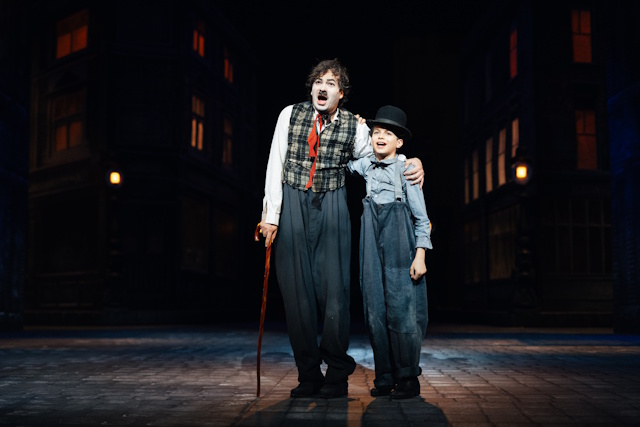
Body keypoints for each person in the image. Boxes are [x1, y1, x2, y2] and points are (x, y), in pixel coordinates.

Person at [259, 59, 424, 399]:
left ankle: (336, 374)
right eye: (318, 81)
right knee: (296, 293)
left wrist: (413, 162)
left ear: (341, 93)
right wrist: (271, 215)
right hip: (293, 201)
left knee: (335, 293)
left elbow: (382, 155)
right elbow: (276, 161)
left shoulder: (356, 127)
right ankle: (308, 375)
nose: (322, 87)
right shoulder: (289, 114)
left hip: (332, 204)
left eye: (331, 83)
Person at [347, 105, 432, 399]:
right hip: (371, 243)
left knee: (402, 310)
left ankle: (407, 378)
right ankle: (384, 376)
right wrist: (356, 127)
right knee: (374, 310)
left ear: (400, 142)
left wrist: (420, 255)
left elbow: (422, 219)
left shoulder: (407, 170)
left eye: (388, 133)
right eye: (376, 132)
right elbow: (345, 162)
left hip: (400, 246)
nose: (380, 137)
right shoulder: (366, 165)